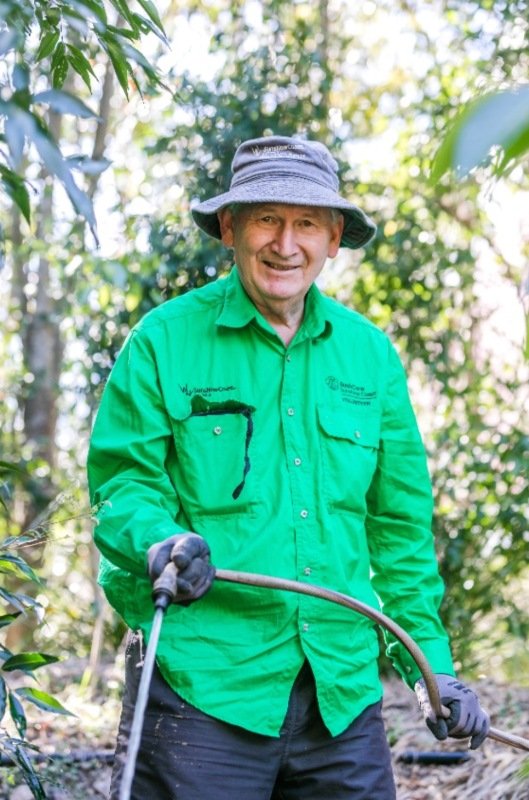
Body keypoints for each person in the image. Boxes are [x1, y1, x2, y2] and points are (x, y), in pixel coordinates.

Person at [87, 135, 489, 800]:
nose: (284, 243)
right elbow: (123, 484)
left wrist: (430, 671)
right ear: (229, 228)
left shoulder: (370, 357)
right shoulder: (162, 341)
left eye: (306, 223)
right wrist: (157, 541)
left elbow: (399, 534)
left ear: (334, 239)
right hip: (204, 685)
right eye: (265, 219)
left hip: (340, 691)